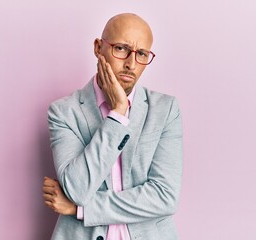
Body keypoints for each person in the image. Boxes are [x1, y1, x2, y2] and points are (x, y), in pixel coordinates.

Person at [43, 13, 183, 240]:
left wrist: (81, 209)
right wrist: (118, 114)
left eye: (142, 54)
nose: (131, 64)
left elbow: (164, 197)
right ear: (99, 47)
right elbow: (77, 190)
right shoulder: (64, 112)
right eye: (121, 48)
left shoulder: (165, 110)